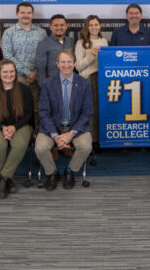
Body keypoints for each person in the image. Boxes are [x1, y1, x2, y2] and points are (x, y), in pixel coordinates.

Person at [34, 50, 93, 191]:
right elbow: (44, 112)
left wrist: (71, 133)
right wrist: (55, 135)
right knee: (40, 147)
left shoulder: (84, 84)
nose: (66, 65)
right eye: (63, 62)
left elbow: (87, 113)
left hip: (76, 127)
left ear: (74, 63)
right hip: (52, 127)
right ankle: (52, 172)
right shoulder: (48, 84)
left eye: (69, 62)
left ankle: (70, 170)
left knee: (85, 146)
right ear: (57, 64)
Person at [0, 60, 33, 199]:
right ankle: (8, 180)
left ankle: (3, 178)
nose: (9, 74)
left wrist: (14, 127)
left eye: (12, 71)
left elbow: (29, 114)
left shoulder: (24, 89)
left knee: (20, 145)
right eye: (5, 71)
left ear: (16, 73)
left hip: (20, 124)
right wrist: (3, 127)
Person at [1, 2, 47, 130]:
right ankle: (22, 136)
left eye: (29, 13)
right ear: (17, 14)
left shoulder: (41, 32)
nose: (26, 15)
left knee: (38, 109)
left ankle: (38, 135)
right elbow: (8, 56)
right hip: (17, 78)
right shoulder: (9, 33)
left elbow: (44, 55)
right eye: (22, 12)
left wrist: (35, 73)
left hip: (37, 78)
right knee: (18, 109)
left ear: (32, 14)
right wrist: (27, 72)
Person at [75, 15, 108, 143]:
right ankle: (91, 141)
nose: (94, 27)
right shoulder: (81, 43)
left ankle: (101, 139)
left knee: (102, 110)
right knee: (90, 111)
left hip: (102, 80)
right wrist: (91, 55)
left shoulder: (104, 41)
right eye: (91, 25)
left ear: (100, 26)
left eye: (96, 24)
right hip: (87, 79)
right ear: (87, 27)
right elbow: (78, 67)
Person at [36, 14, 75, 84]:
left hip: (70, 83)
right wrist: (45, 87)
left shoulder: (71, 41)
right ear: (50, 27)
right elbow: (40, 69)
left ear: (66, 26)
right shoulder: (44, 44)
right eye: (56, 25)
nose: (59, 27)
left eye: (62, 25)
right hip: (52, 84)